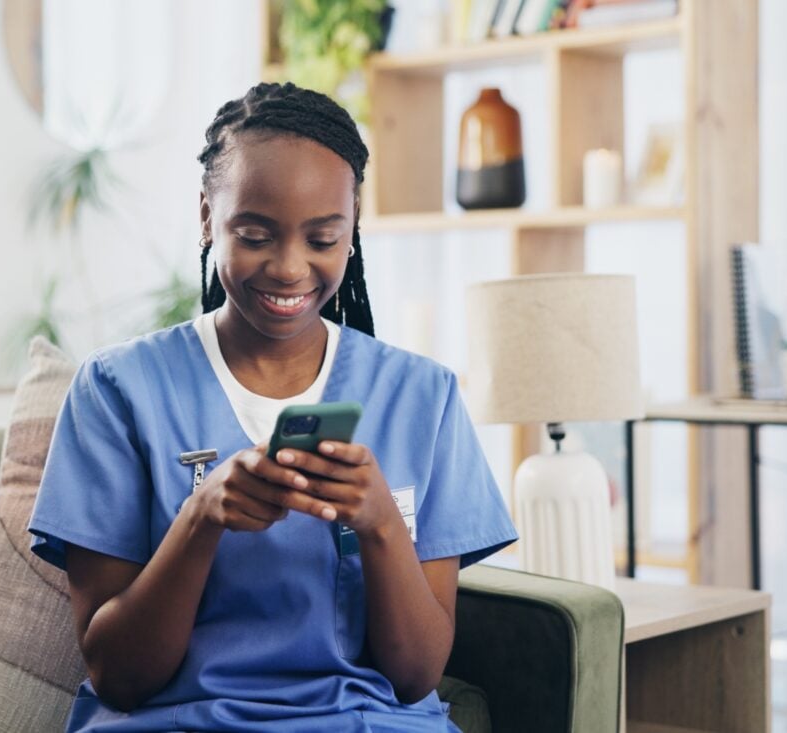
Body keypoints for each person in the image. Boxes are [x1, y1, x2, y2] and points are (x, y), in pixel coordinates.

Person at [28, 81, 517, 732]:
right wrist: (200, 519)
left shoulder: (420, 397)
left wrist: (379, 524)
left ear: (353, 226)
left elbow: (415, 675)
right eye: (256, 234)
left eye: (322, 237)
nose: (290, 268)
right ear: (207, 217)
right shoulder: (118, 391)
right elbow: (118, 674)